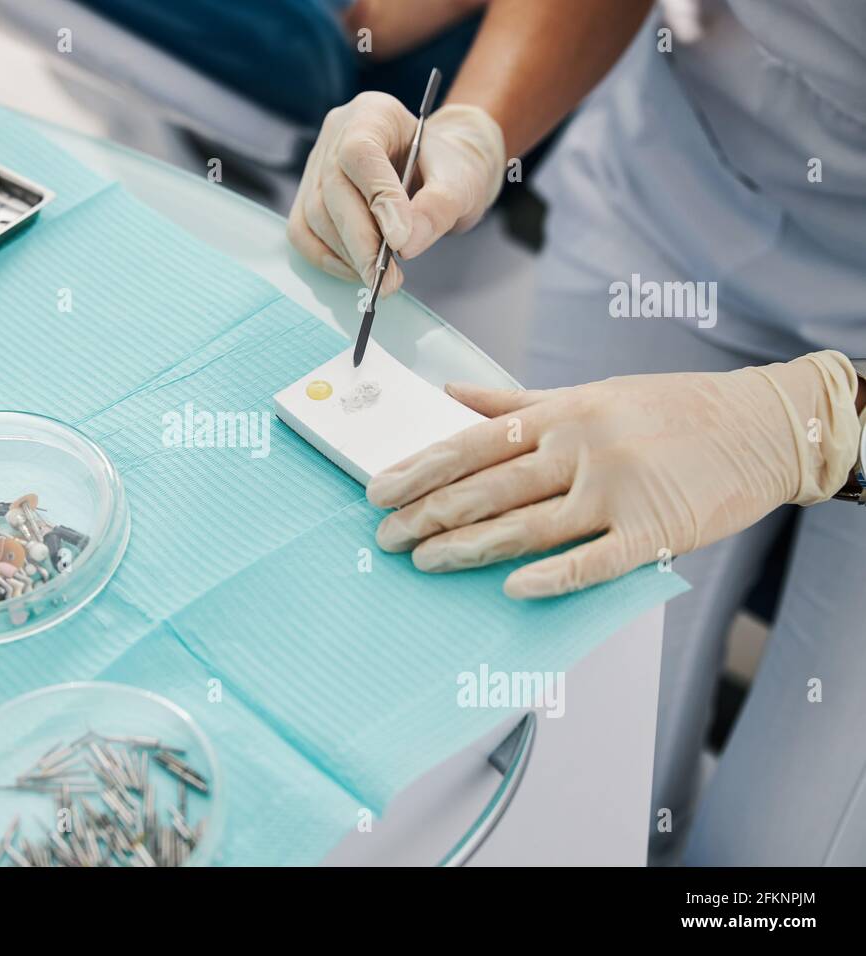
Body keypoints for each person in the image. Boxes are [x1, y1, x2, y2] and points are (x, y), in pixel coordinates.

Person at [289, 0, 866, 865]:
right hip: (683, 185)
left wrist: (801, 429)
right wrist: (476, 128)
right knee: (567, 737)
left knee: (771, 858)